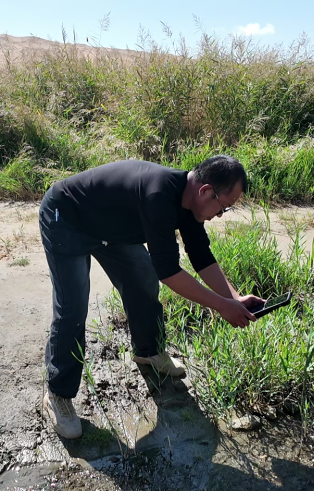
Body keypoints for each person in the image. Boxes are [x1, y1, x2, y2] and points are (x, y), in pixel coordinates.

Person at [39, 156, 266, 439]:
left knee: (142, 279)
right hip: (67, 217)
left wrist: (235, 298)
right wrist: (222, 307)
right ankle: (57, 394)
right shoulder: (160, 194)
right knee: (72, 307)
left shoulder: (189, 202)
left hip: (110, 228)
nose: (220, 215)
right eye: (223, 207)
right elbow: (169, 272)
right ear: (206, 191)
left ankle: (148, 352)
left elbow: (201, 255)